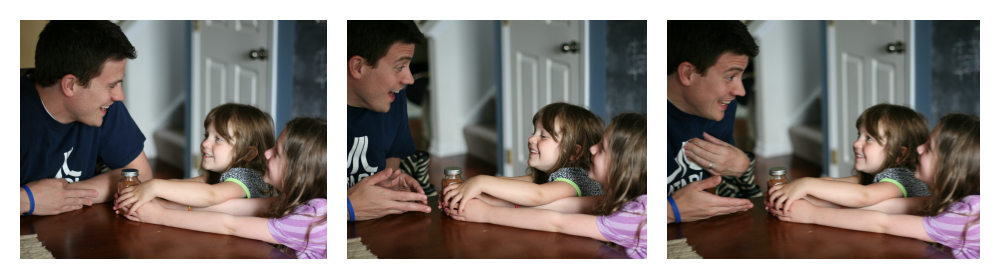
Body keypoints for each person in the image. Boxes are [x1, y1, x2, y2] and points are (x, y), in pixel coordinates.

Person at [771, 114, 979, 259]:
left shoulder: (967, 217)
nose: (919, 148)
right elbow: (890, 207)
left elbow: (883, 222)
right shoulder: (964, 202)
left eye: (930, 147)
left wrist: (812, 214)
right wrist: (812, 200)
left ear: (952, 167)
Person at [450, 113, 647, 259]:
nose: (592, 149)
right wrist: (488, 200)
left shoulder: (636, 217)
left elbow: (555, 219)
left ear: (625, 167)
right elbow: (561, 206)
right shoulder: (622, 200)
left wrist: (486, 212)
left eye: (602, 148)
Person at [126, 117, 328, 259]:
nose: (266, 153)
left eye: (277, 153)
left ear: (299, 172)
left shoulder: (310, 220)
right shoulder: (298, 200)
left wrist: (159, 215)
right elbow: (234, 208)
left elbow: (229, 224)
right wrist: (163, 205)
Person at [20, 20, 151, 215]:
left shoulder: (104, 106)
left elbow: (140, 174)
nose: (119, 96)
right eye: (111, 85)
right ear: (71, 85)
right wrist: (25, 200)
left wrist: (56, 197)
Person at [666, 20, 758, 222]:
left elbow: (724, 180)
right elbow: (607, 204)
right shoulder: (638, 120)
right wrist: (669, 210)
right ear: (687, 74)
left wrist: (742, 165)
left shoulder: (723, 106)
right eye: (730, 76)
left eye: (741, 76)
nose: (740, 91)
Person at [440, 102, 605, 214]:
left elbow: (537, 195)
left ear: (573, 153)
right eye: (534, 132)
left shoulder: (577, 178)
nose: (531, 139)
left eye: (544, 136)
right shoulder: (546, 175)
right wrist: (474, 193)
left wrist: (480, 182)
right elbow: (510, 186)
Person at [114, 103, 276, 216]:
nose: (205, 143)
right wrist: (143, 191)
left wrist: (154, 187)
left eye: (218, 138)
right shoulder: (219, 174)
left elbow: (211, 195)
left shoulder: (249, 178)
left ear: (248, 153)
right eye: (207, 135)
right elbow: (187, 185)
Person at [768, 104, 931, 215]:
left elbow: (863, 196)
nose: (856, 143)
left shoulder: (904, 178)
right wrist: (794, 192)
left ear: (898, 155)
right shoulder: (874, 176)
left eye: (869, 138)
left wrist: (805, 184)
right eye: (859, 135)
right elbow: (833, 184)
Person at [346, 20, 432, 221]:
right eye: (399, 66)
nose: (409, 79)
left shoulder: (394, 97)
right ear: (358, 67)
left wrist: (390, 182)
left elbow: (392, 158)